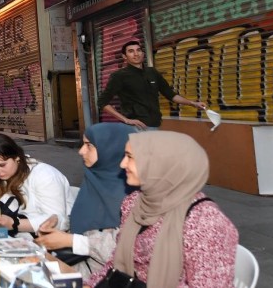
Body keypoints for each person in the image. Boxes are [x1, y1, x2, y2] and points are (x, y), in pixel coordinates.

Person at [86, 131, 239, 288]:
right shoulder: (135, 203)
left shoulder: (206, 222)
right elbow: (117, 263)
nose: (122, 164)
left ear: (162, 164)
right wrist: (91, 285)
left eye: (130, 157)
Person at [35, 123, 132, 278]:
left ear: (111, 148)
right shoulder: (94, 180)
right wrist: (59, 225)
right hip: (81, 267)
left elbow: (130, 251)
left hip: (110, 278)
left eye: (89, 145)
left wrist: (70, 240)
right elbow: (87, 223)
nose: (81, 151)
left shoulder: (133, 195)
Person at [0, 133, 74, 236]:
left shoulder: (44, 175)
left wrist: (14, 224)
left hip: (45, 242)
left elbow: (58, 221)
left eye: (2, 165)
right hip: (13, 239)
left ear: (17, 158)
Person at [98, 40, 207, 129]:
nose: (136, 54)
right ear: (124, 56)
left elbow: (171, 95)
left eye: (138, 50)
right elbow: (102, 102)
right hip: (135, 127)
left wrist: (193, 103)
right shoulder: (119, 76)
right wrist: (126, 120)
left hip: (155, 124)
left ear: (143, 53)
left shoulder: (152, 72)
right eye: (131, 51)